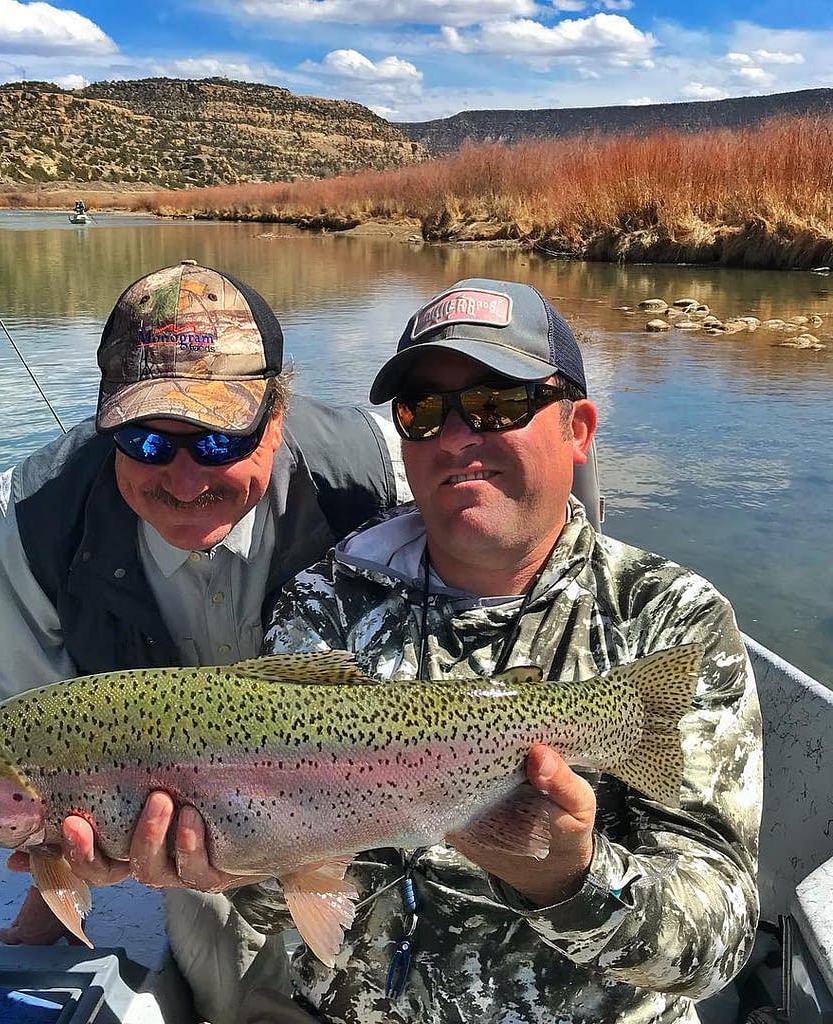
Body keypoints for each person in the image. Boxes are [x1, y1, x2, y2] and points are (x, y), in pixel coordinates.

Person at [114, 276, 762, 1023]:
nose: (456, 438)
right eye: (423, 412)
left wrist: (573, 879)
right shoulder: (326, 604)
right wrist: (225, 862)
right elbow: (289, 899)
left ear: (579, 428)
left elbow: (718, 944)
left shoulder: (667, 620)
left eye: (498, 404)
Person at [0, 258, 409, 1023]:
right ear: (105, 423)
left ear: (277, 416)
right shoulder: (32, 524)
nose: (183, 482)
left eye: (218, 442)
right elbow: (32, 744)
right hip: (175, 826)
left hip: (372, 787)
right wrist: (53, 890)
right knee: (226, 981)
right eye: (146, 443)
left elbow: (537, 528)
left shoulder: (379, 472)